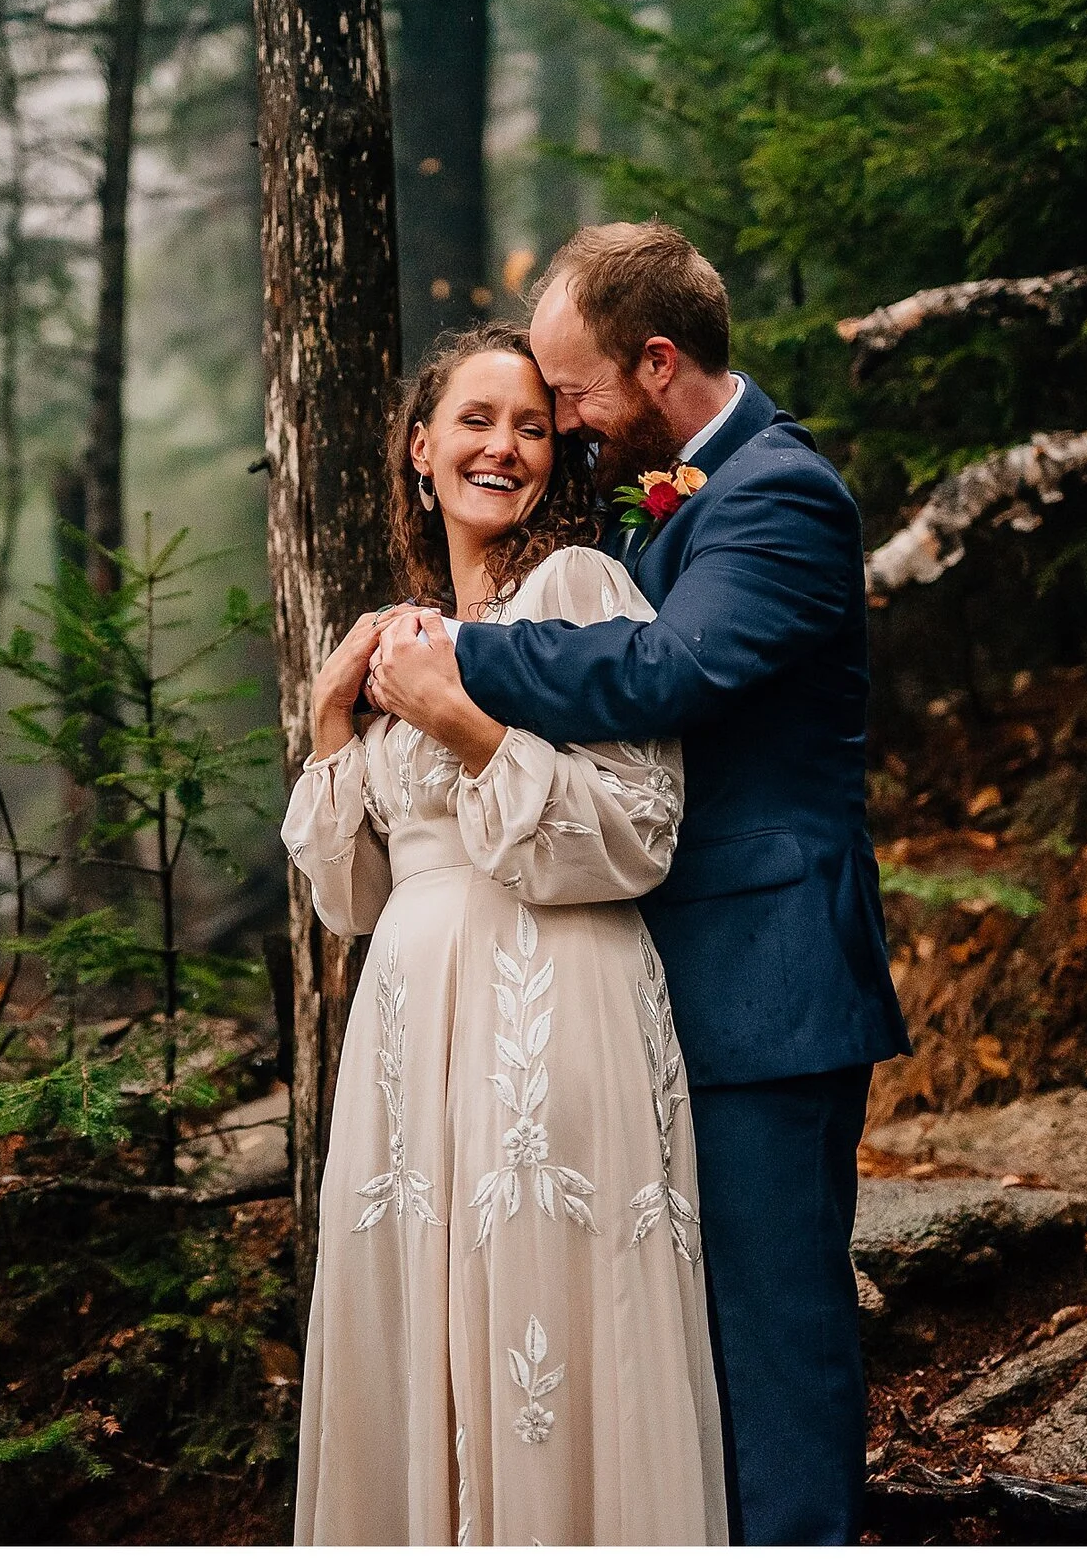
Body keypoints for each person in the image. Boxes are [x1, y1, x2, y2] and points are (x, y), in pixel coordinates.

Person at [366, 222, 911, 1545]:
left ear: (654, 363)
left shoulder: (780, 494)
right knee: (685, 1361)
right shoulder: (662, 499)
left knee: (776, 1345)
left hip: (765, 988)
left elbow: (666, 675)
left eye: (573, 394)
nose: (563, 423)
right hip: (658, 996)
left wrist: (463, 668)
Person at [285, 319, 727, 1546]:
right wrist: (335, 723)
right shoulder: (395, 635)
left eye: (532, 426)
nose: (505, 447)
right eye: (475, 422)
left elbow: (638, 832)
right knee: (417, 1324)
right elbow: (351, 902)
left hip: (551, 1000)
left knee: (546, 1304)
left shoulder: (580, 591)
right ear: (419, 449)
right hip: (412, 1024)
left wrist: (465, 722)